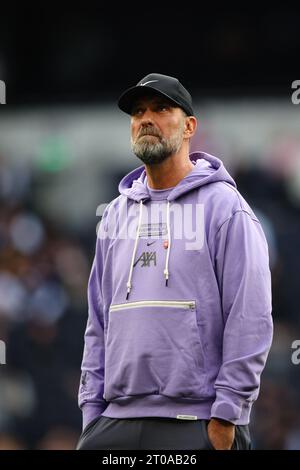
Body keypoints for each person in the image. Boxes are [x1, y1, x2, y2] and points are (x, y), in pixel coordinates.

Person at [76, 73, 273, 450]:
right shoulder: (115, 214)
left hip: (195, 422)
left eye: (162, 108)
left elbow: (250, 316)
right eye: (138, 111)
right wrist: (91, 410)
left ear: (189, 127)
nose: (146, 118)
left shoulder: (225, 208)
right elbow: (98, 321)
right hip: (114, 422)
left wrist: (226, 415)